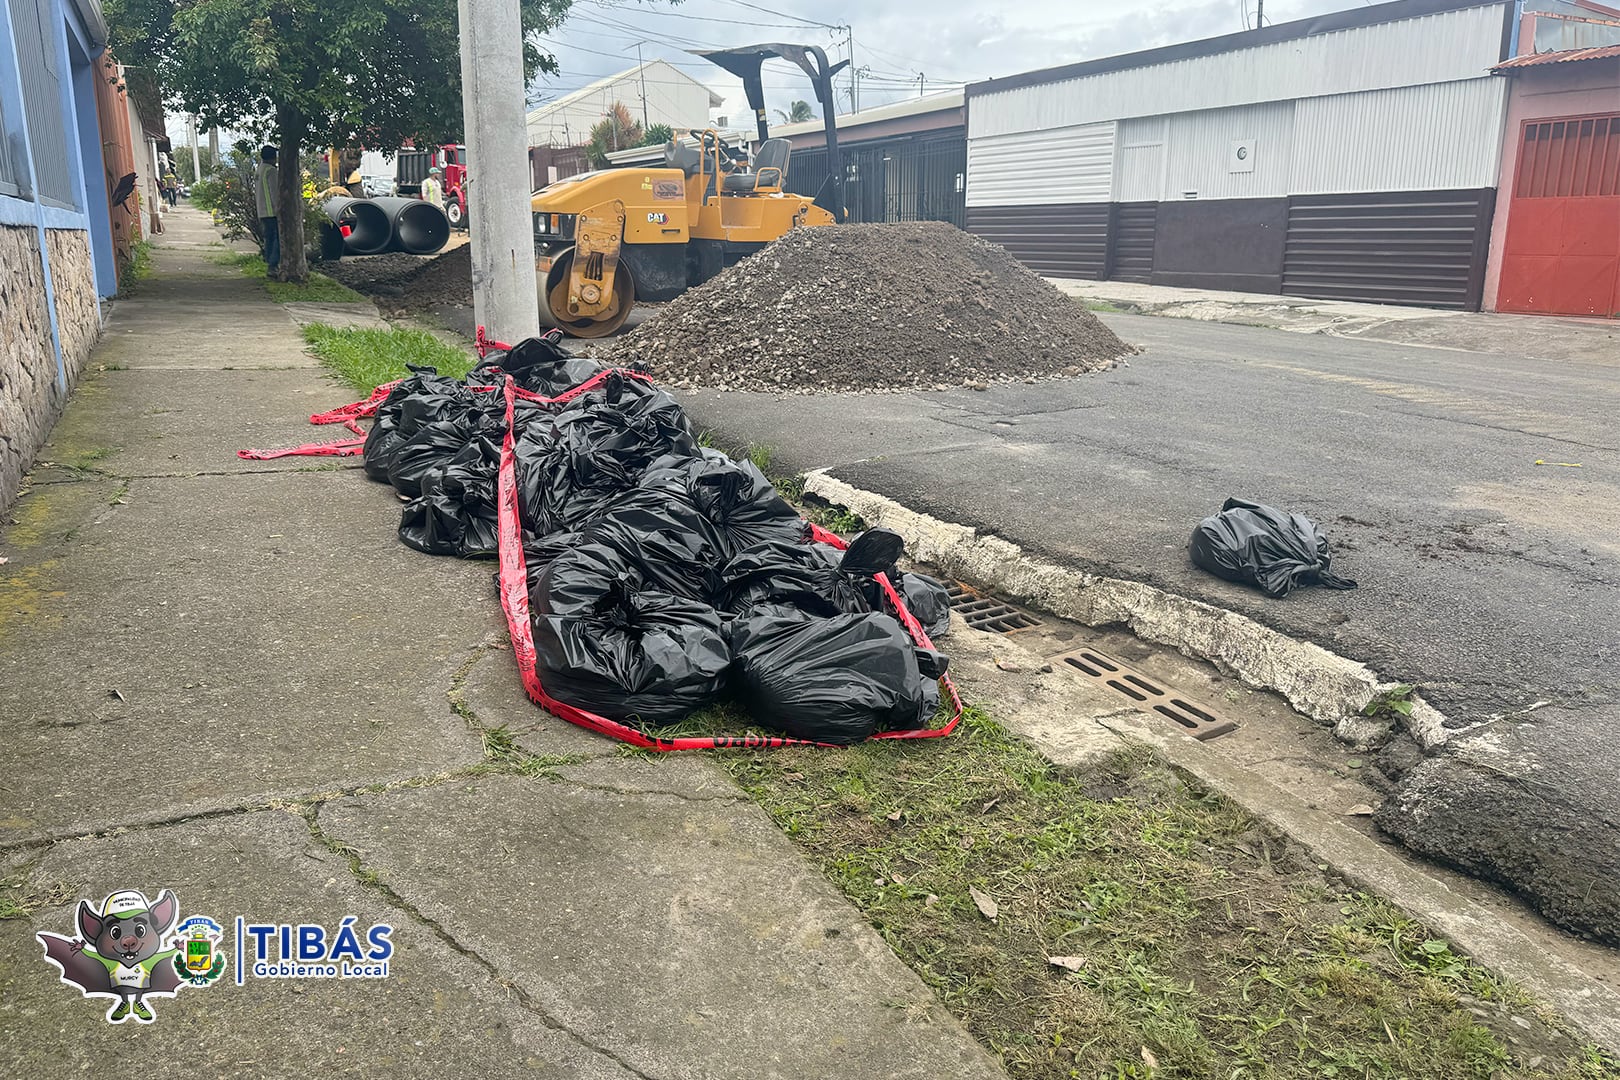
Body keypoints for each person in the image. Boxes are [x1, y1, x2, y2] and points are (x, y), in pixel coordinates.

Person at [255, 145, 280, 275]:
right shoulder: (271, 171)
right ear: (273, 157)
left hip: (262, 210)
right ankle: (273, 265)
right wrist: (279, 209)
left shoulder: (259, 170)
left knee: (269, 237)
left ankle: (269, 261)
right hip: (271, 210)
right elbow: (274, 192)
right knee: (277, 238)